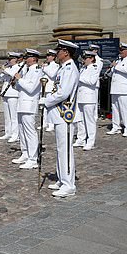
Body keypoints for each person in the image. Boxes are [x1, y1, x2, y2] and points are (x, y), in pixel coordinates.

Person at [43, 39, 79, 198]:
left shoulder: (70, 68)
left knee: (65, 150)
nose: (56, 53)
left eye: (59, 50)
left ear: (66, 52)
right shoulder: (63, 68)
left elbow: (64, 93)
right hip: (59, 114)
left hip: (66, 114)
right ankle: (62, 178)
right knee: (60, 149)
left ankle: (69, 184)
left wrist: (46, 100)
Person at [12, 49, 43, 169]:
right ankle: (25, 152)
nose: (26, 59)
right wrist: (15, 84)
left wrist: (20, 79)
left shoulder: (36, 70)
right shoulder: (28, 70)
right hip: (22, 104)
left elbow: (31, 88)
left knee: (30, 132)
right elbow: (22, 88)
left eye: (28, 57)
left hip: (29, 104)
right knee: (22, 131)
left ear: (34, 58)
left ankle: (33, 158)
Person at [107, 42, 127, 137]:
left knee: (125, 109)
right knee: (115, 108)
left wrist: (116, 65)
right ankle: (116, 126)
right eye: (120, 50)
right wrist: (110, 69)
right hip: (115, 88)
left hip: (124, 88)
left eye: (122, 50)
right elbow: (112, 74)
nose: (120, 52)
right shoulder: (119, 61)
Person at [74, 51, 100, 151]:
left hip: (89, 98)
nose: (83, 60)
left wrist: (79, 77)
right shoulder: (83, 69)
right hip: (81, 97)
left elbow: (92, 81)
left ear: (91, 59)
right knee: (79, 120)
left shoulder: (94, 68)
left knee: (89, 121)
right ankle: (81, 139)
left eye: (85, 58)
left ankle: (90, 141)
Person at [0, 52, 22, 142]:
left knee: (13, 116)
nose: (9, 61)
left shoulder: (18, 67)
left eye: (11, 59)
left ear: (16, 59)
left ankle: (15, 134)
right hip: (6, 93)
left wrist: (4, 70)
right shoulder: (9, 68)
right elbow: (1, 78)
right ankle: (8, 132)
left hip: (13, 93)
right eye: (9, 59)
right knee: (7, 116)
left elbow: (14, 75)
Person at [41, 50, 59, 132]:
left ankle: (51, 124)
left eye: (49, 56)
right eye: (47, 56)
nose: (47, 57)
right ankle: (45, 123)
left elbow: (52, 75)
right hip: (43, 88)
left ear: (53, 57)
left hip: (50, 88)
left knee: (50, 107)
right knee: (44, 107)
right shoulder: (46, 65)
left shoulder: (56, 65)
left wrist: (44, 68)